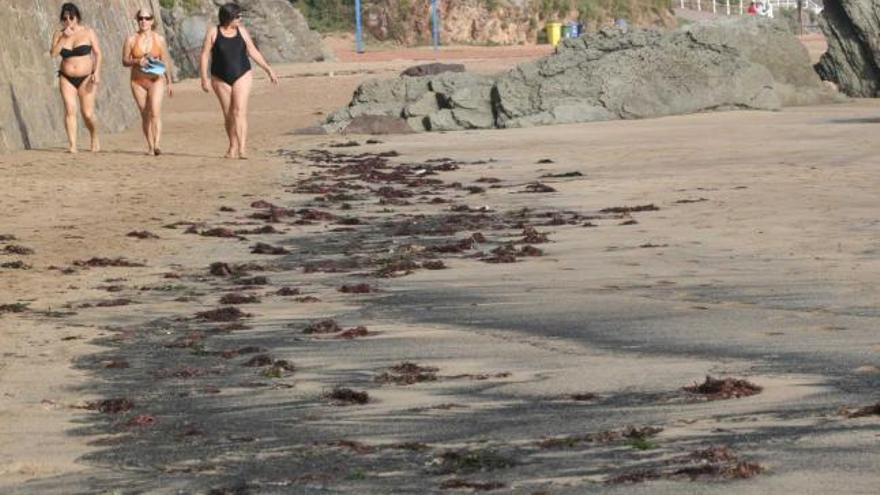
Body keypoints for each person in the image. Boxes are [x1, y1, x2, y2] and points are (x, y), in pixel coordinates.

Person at [199, 3, 278, 160]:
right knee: (228, 114)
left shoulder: (241, 31)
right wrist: (203, 78)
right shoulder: (213, 32)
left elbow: (252, 51)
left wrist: (268, 69)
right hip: (220, 77)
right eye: (237, 16)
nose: (240, 19)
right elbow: (204, 55)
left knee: (239, 111)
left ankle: (242, 148)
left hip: (242, 74)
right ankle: (232, 145)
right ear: (228, 17)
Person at [49, 3, 102, 153]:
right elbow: (53, 54)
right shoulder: (59, 34)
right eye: (64, 18)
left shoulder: (88, 32)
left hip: (86, 77)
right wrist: (64, 38)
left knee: (88, 113)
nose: (68, 21)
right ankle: (72, 145)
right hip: (66, 78)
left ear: (77, 17)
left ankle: (94, 135)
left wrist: (96, 72)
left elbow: (98, 53)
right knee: (70, 110)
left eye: (71, 17)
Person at [123, 8, 173, 156]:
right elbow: (124, 61)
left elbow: (165, 61)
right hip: (137, 82)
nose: (143, 21)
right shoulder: (131, 39)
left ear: (152, 20)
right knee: (145, 114)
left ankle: (157, 145)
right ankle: (150, 146)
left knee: (155, 112)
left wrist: (169, 82)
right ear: (137, 20)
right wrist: (138, 61)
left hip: (156, 80)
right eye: (140, 18)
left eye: (147, 18)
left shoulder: (159, 39)